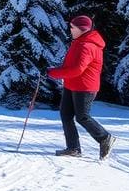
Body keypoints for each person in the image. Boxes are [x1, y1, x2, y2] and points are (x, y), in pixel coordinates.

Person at [47, 15, 115, 159]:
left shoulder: (87, 45)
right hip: (72, 84)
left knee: (82, 117)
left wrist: (54, 73)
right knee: (66, 115)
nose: (70, 29)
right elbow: (70, 65)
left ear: (81, 29)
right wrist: (55, 70)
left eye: (73, 27)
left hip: (85, 86)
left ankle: (104, 138)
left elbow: (78, 69)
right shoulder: (79, 42)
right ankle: (73, 148)